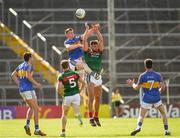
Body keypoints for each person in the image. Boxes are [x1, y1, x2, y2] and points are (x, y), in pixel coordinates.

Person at [126, 59, 171, 136]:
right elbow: (163, 87)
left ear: (145, 66)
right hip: (156, 98)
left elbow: (137, 88)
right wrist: (159, 91)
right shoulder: (158, 75)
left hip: (146, 99)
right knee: (163, 113)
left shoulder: (143, 76)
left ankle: (138, 127)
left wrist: (132, 84)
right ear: (152, 65)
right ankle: (166, 131)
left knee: (141, 116)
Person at [11, 52, 46, 136]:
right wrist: (37, 84)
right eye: (32, 57)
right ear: (30, 58)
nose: (33, 59)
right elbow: (28, 76)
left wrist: (19, 84)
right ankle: (37, 129)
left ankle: (27, 125)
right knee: (36, 109)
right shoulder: (29, 66)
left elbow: (13, 75)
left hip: (23, 90)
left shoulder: (20, 66)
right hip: (28, 90)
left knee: (31, 107)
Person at [57, 60, 85, 137]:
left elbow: (59, 88)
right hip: (76, 95)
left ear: (62, 67)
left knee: (64, 114)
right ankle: (78, 114)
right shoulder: (75, 73)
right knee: (76, 109)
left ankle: (63, 132)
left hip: (68, 96)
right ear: (68, 66)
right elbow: (83, 83)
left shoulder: (61, 76)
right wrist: (80, 90)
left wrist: (62, 94)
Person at [83, 23, 104, 127]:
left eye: (96, 45)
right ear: (91, 46)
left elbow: (101, 40)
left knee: (98, 98)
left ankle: (96, 116)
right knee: (91, 97)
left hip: (98, 76)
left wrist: (97, 30)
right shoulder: (87, 52)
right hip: (90, 75)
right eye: (93, 45)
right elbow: (85, 40)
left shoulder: (100, 52)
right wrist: (87, 30)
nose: (95, 46)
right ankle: (90, 118)